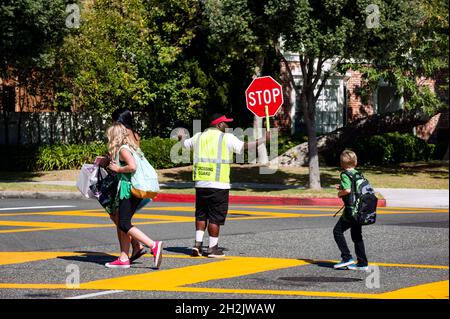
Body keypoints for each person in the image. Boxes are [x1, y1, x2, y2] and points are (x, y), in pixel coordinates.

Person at [179, 113, 270, 258]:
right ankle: (213, 248)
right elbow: (244, 147)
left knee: (201, 215)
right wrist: (263, 139)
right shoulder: (226, 137)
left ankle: (197, 245)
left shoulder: (198, 137)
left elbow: (184, 144)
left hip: (201, 183)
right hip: (219, 184)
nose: (228, 126)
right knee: (215, 217)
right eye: (225, 123)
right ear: (218, 124)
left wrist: (181, 136)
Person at [104, 122, 163, 269]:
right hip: (132, 190)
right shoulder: (130, 148)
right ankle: (124, 258)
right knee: (122, 221)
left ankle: (153, 245)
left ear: (114, 136)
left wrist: (117, 169)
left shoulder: (124, 150)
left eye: (109, 136)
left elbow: (132, 166)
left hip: (128, 190)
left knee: (123, 223)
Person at [333, 150, 369, 270]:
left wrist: (339, 193)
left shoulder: (344, 174)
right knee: (357, 235)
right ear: (355, 162)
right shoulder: (358, 173)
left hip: (350, 210)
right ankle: (363, 263)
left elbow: (348, 190)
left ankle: (346, 257)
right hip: (359, 209)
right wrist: (342, 186)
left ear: (342, 164)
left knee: (337, 231)